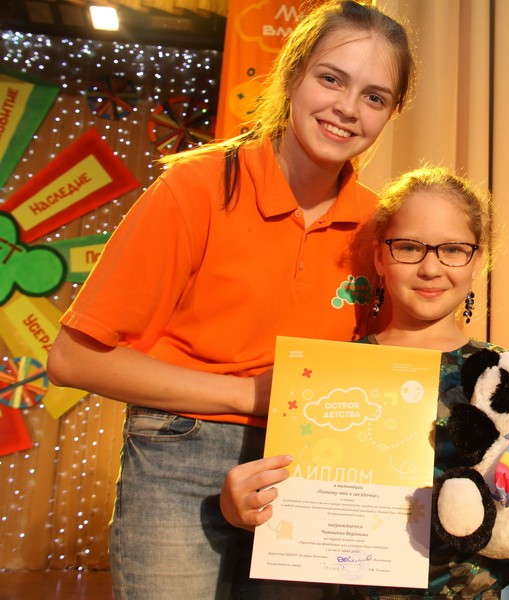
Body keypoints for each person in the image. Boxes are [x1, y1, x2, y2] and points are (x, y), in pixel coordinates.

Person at [45, 2, 416, 598]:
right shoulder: (195, 188)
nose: (348, 108)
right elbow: (73, 359)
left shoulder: (381, 225)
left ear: (391, 113)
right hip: (181, 458)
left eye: (374, 97)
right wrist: (251, 395)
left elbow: (397, 367)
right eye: (331, 79)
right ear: (291, 76)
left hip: (317, 468)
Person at [220, 167, 509, 599]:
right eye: (408, 247)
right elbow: (288, 501)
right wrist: (243, 508)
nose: (430, 268)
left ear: (478, 260)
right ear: (379, 257)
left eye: (453, 250)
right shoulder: (325, 372)